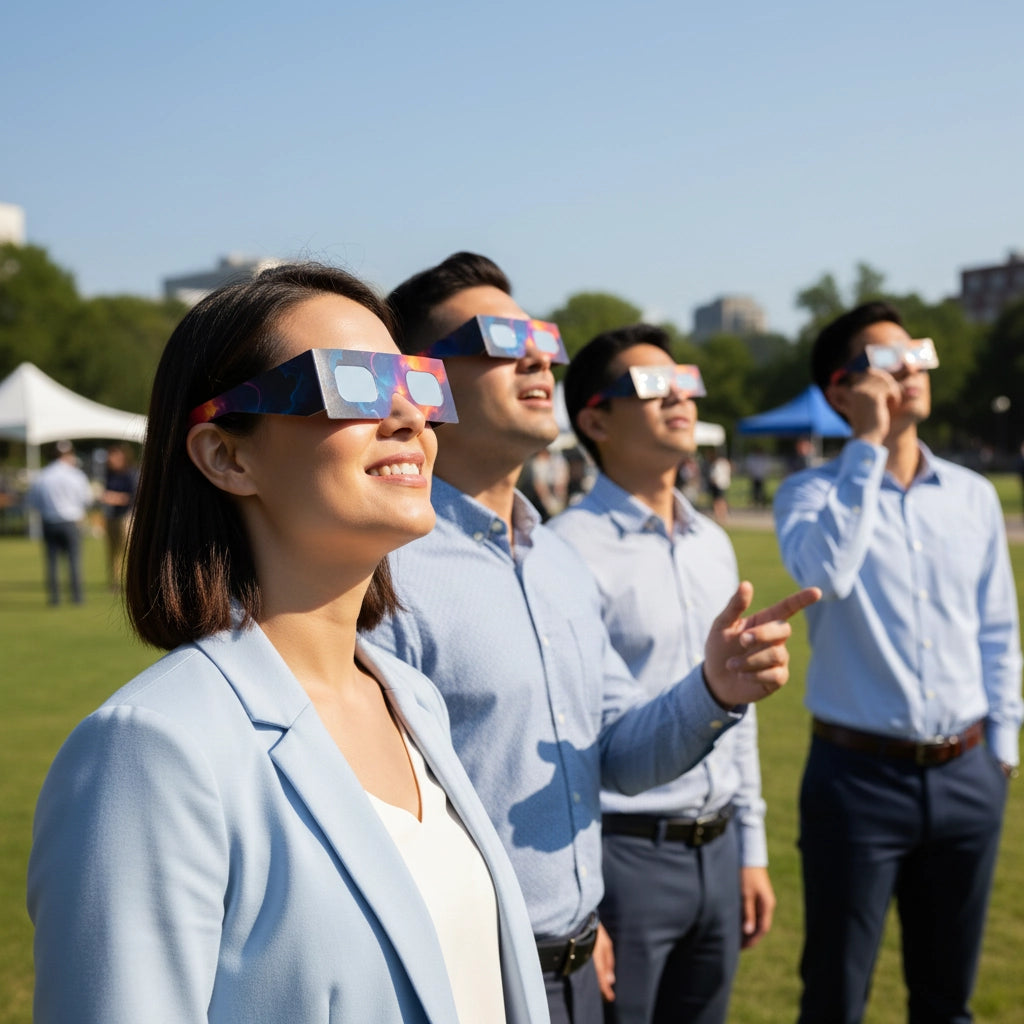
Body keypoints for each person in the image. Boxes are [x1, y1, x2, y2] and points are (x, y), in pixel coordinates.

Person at [27, 263, 549, 1024]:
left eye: (416, 382)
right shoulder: (151, 750)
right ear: (226, 456)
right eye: (353, 384)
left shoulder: (412, 700)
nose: (410, 415)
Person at [369, 251, 818, 1024]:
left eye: (541, 337)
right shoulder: (382, 579)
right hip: (467, 981)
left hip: (577, 963)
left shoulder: (556, 564)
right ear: (423, 379)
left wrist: (713, 691)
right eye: (502, 340)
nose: (541, 356)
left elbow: (618, 754)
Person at [773, 301, 1023, 1024]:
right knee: (835, 996)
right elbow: (830, 572)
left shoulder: (972, 496)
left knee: (949, 1003)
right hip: (857, 783)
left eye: (915, 354)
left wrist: (1001, 752)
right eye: (886, 361)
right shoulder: (809, 493)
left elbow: (998, 630)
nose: (909, 370)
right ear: (840, 391)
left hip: (970, 774)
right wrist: (868, 449)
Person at [551, 325, 774, 1024]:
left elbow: (739, 706)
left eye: (685, 382)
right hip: (625, 861)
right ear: (594, 420)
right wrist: (586, 901)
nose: (679, 396)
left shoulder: (712, 541)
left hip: (721, 842)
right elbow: (564, 734)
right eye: (651, 387)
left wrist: (751, 849)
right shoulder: (563, 552)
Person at [26, 439, 93, 605]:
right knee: (74, 561)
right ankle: (77, 598)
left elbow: (33, 502)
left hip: (50, 522)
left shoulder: (42, 475)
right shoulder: (76, 475)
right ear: (69, 454)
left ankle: (54, 599)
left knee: (52, 562)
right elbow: (87, 499)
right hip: (71, 522)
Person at [99, 443, 138, 589]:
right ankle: (114, 582)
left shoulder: (131, 474)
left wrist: (113, 497)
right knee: (112, 551)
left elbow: (134, 497)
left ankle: (132, 580)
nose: (110, 459)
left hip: (127, 517)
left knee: (127, 551)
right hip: (112, 516)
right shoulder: (110, 474)